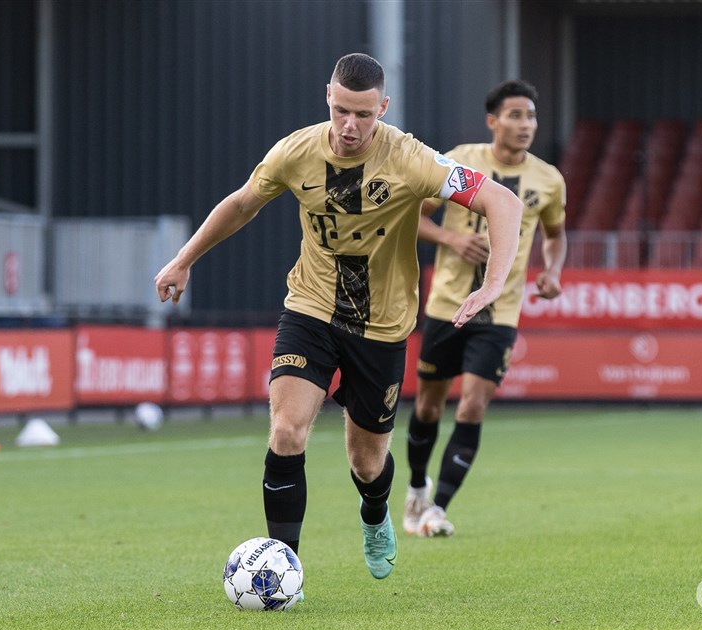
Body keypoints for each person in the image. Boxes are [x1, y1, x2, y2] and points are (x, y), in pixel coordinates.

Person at [154, 54, 523, 581]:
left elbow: (502, 202)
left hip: (383, 326)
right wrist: (183, 259)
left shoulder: (412, 158)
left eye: (364, 115)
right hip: (310, 306)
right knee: (286, 430)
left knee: (367, 463)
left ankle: (376, 513)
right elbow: (241, 204)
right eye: (341, 111)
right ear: (328, 95)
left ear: (383, 108)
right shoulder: (295, 152)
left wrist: (493, 284)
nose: (350, 126)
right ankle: (284, 570)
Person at [402, 80, 567, 538]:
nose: (525, 124)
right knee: (430, 408)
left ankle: (436, 508)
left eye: (531, 116)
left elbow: (555, 235)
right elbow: (416, 216)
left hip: (500, 313)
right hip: (446, 306)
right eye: (515, 115)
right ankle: (417, 486)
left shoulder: (548, 180)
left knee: (472, 406)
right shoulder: (460, 161)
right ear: (493, 121)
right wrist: (452, 238)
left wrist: (553, 271)